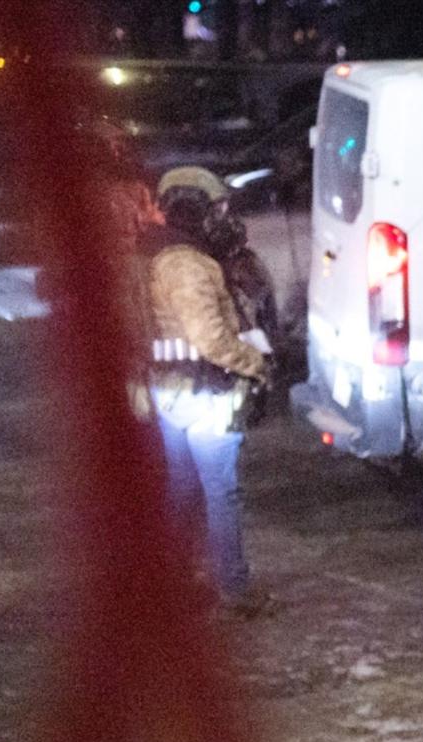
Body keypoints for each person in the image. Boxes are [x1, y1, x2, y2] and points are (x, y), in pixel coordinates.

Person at [145, 169, 275, 614]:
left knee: (183, 489)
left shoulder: (159, 252)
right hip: (204, 394)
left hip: (172, 390)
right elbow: (211, 340)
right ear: (194, 207)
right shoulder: (187, 264)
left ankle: (173, 581)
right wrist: (256, 365)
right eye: (218, 207)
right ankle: (234, 588)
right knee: (221, 493)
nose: (225, 216)